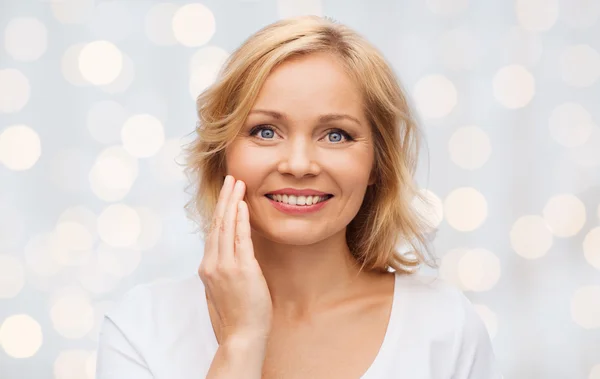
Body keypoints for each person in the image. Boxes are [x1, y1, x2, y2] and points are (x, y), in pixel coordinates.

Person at [96, 15, 502, 379]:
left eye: (336, 135)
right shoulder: (143, 327)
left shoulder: (444, 327)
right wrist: (241, 342)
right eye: (265, 131)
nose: (299, 163)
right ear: (222, 155)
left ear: (377, 164)